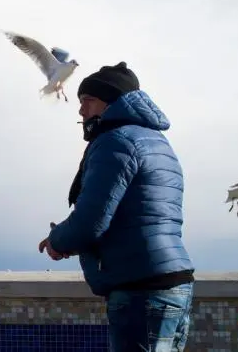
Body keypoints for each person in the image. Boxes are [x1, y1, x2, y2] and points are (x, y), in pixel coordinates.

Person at [37, 61, 195, 352]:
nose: (81, 110)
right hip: (174, 283)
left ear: (112, 103)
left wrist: (58, 240)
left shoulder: (116, 141)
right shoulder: (156, 141)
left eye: (89, 101)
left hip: (141, 288)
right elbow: (133, 213)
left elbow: (91, 219)